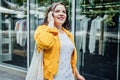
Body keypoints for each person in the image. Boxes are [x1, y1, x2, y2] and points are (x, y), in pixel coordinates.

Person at [34, 2, 85, 80]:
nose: (61, 14)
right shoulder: (42, 29)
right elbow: (46, 43)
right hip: (52, 78)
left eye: (63, 12)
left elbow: (69, 58)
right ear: (50, 14)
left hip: (69, 76)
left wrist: (77, 74)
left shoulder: (68, 34)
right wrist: (51, 23)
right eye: (57, 11)